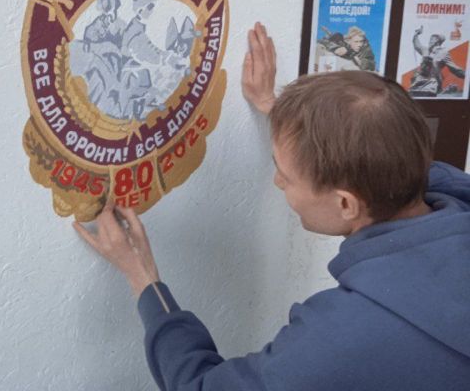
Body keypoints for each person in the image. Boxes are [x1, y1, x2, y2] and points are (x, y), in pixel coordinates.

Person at [74, 23, 470, 390]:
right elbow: (379, 148)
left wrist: (142, 277)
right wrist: (284, 114)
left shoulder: (339, 340)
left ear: (346, 203)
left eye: (286, 174)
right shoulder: (432, 186)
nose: (277, 181)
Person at [410, 25, 466, 97]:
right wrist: (416, 34)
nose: (429, 41)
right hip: (418, 82)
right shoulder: (425, 50)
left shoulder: (443, 52)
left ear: (437, 40)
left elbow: (454, 69)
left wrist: (466, 76)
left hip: (431, 83)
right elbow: (417, 45)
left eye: (432, 39)